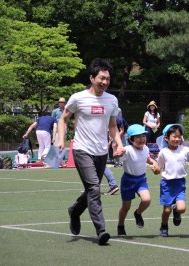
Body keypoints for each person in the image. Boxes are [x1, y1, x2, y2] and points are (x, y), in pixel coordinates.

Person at [57, 58, 125, 245]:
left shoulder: (112, 100)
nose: (105, 82)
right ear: (92, 77)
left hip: (101, 152)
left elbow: (112, 126)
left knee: (90, 189)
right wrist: (61, 139)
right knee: (95, 188)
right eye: (101, 78)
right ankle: (101, 230)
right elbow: (63, 119)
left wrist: (118, 143)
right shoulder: (78, 98)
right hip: (81, 149)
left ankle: (75, 211)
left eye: (107, 79)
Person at [116, 124, 160, 236]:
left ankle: (138, 213)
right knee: (126, 207)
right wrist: (117, 151)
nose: (142, 139)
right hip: (128, 180)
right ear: (131, 139)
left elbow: (148, 159)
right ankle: (120, 225)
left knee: (146, 200)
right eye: (138, 137)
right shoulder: (128, 150)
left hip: (141, 180)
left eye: (143, 136)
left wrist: (154, 163)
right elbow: (118, 155)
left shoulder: (145, 148)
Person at [157, 124, 189, 237]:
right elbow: (159, 166)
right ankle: (164, 226)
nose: (177, 139)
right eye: (174, 136)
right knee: (166, 211)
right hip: (167, 184)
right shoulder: (163, 152)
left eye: (179, 136)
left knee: (182, 208)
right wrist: (155, 169)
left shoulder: (185, 150)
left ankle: (177, 211)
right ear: (166, 138)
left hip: (180, 183)